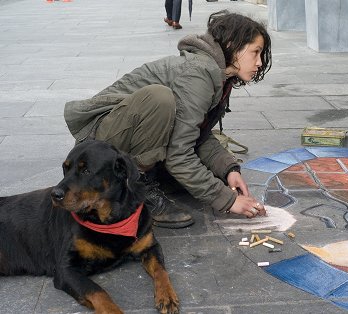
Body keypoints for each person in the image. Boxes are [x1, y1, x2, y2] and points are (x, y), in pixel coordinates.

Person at [64, 10, 272, 229]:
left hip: (121, 138)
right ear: (231, 44)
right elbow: (179, 154)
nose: (259, 62)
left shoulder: (217, 75)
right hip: (98, 145)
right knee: (160, 99)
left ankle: (148, 173)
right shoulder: (199, 74)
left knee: (214, 179)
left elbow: (197, 135)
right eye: (255, 52)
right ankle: (139, 186)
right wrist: (229, 201)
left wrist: (229, 169)